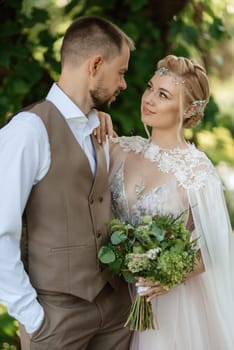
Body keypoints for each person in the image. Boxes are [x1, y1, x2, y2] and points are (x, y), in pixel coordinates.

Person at [0, 15, 135, 350]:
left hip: (115, 311)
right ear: (95, 65)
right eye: (120, 72)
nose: (124, 85)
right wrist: (32, 317)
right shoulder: (28, 131)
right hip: (56, 317)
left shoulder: (99, 127)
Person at [98, 54, 234, 349]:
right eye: (150, 88)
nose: (149, 99)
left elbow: (217, 249)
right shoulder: (119, 149)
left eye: (163, 95)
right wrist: (95, 117)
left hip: (171, 307)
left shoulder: (198, 171)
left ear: (189, 110)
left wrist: (168, 274)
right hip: (114, 298)